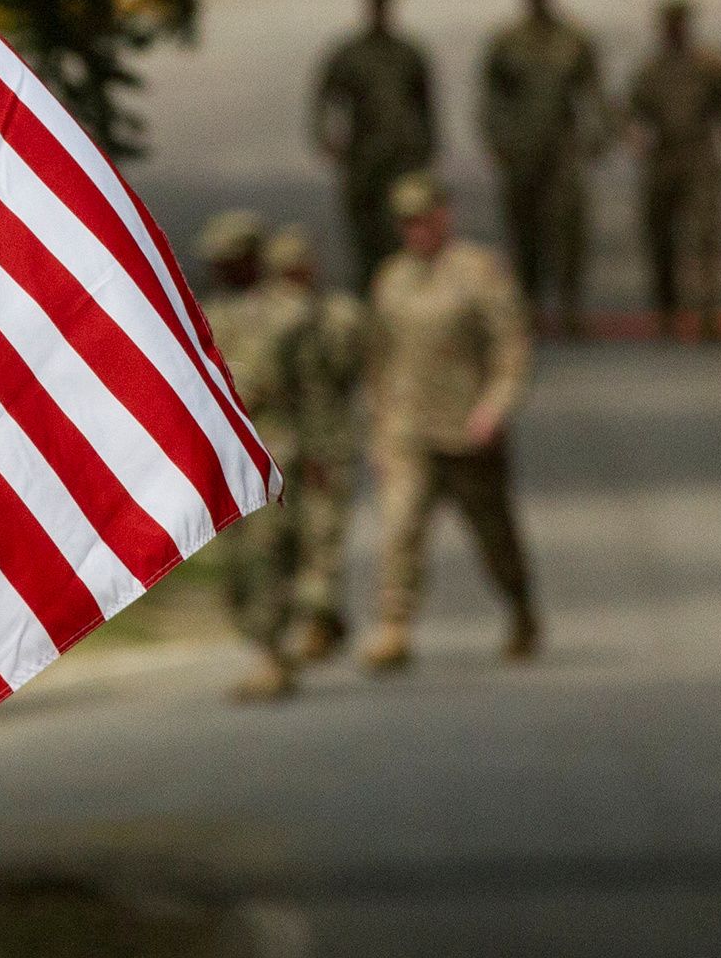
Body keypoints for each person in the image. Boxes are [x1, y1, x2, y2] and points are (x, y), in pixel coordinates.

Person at [362, 174, 541, 667]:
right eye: (407, 222)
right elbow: (379, 361)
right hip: (408, 429)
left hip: (467, 431)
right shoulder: (391, 279)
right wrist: (379, 431)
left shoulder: (479, 272)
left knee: (494, 535)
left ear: (444, 215)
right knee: (398, 529)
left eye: (424, 218)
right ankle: (394, 629)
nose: (417, 230)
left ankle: (520, 607)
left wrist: (495, 406)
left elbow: (511, 348)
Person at [196, 209, 317, 700]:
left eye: (232, 261)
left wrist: (321, 454)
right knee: (238, 564)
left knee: (270, 553)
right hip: (228, 456)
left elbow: (314, 391)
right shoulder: (211, 316)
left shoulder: (290, 314)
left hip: (277, 447)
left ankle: (273, 652)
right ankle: (267, 642)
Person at [479, 0, 609, 336]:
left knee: (569, 227)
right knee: (524, 229)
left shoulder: (572, 39)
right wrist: (497, 140)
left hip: (562, 150)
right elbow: (491, 98)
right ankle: (528, 305)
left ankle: (570, 306)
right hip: (522, 150)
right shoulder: (507, 42)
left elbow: (593, 91)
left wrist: (598, 135)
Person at [626, 0, 721, 341]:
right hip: (663, 158)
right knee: (659, 238)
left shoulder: (711, 67)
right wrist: (634, 135)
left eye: (678, 22)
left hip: (700, 158)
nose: (673, 30)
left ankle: (708, 313)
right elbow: (631, 112)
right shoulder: (650, 70)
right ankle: (667, 310)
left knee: (706, 237)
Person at [265, 224, 366, 663]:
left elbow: (351, 367)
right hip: (286, 443)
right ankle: (320, 615)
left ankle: (317, 621)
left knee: (324, 534)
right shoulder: (265, 317)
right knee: (290, 536)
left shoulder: (337, 315)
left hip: (328, 441)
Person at [312, 0, 439, 288]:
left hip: (401, 157)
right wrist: (327, 139)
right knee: (364, 233)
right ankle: (368, 292)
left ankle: (402, 295)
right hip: (364, 158)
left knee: (404, 227)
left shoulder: (407, 54)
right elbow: (324, 98)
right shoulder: (351, 54)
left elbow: (425, 105)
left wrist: (427, 147)